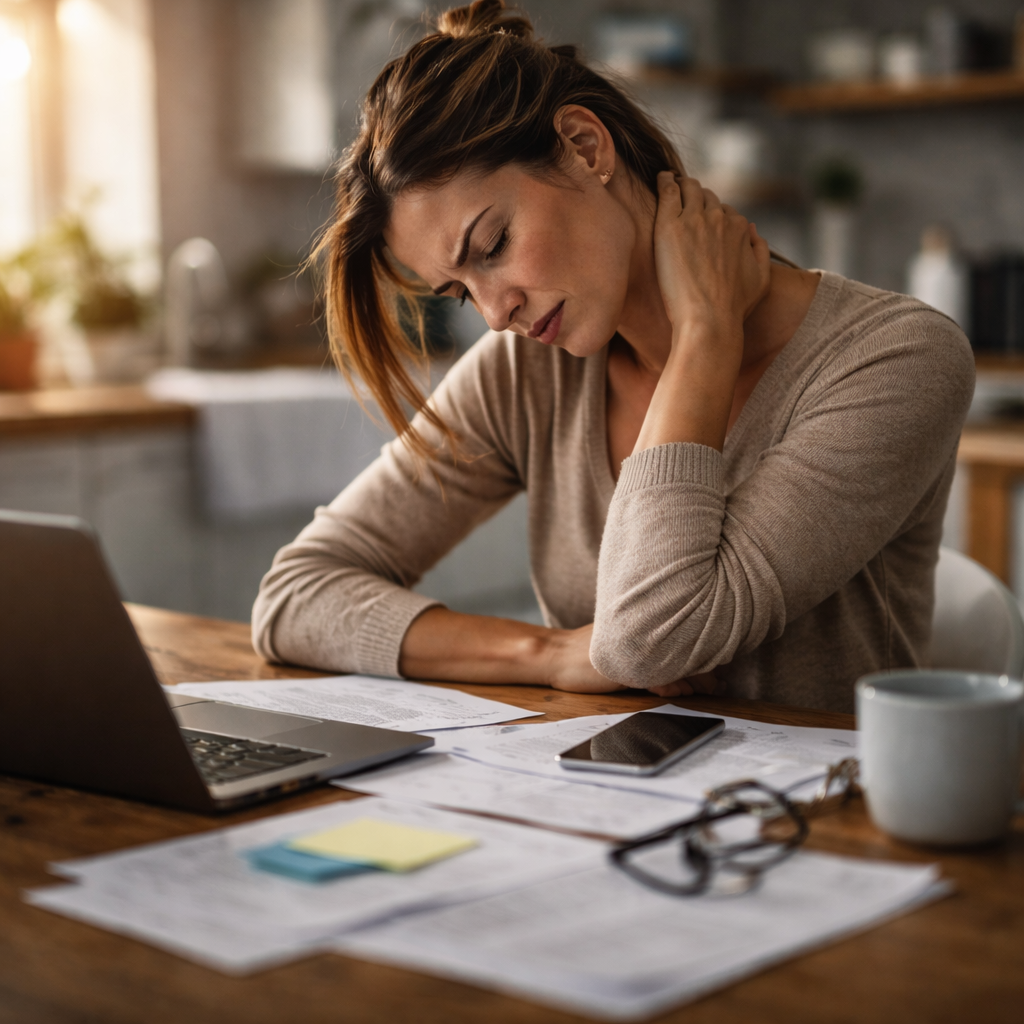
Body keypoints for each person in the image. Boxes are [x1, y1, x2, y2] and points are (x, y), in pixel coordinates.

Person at [252, 0, 974, 714]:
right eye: (462, 292)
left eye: (493, 246)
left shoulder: (895, 358)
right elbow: (295, 595)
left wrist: (703, 337)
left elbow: (652, 643)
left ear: (585, 146)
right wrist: (547, 654)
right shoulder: (527, 372)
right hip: (598, 781)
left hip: (830, 793)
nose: (497, 313)